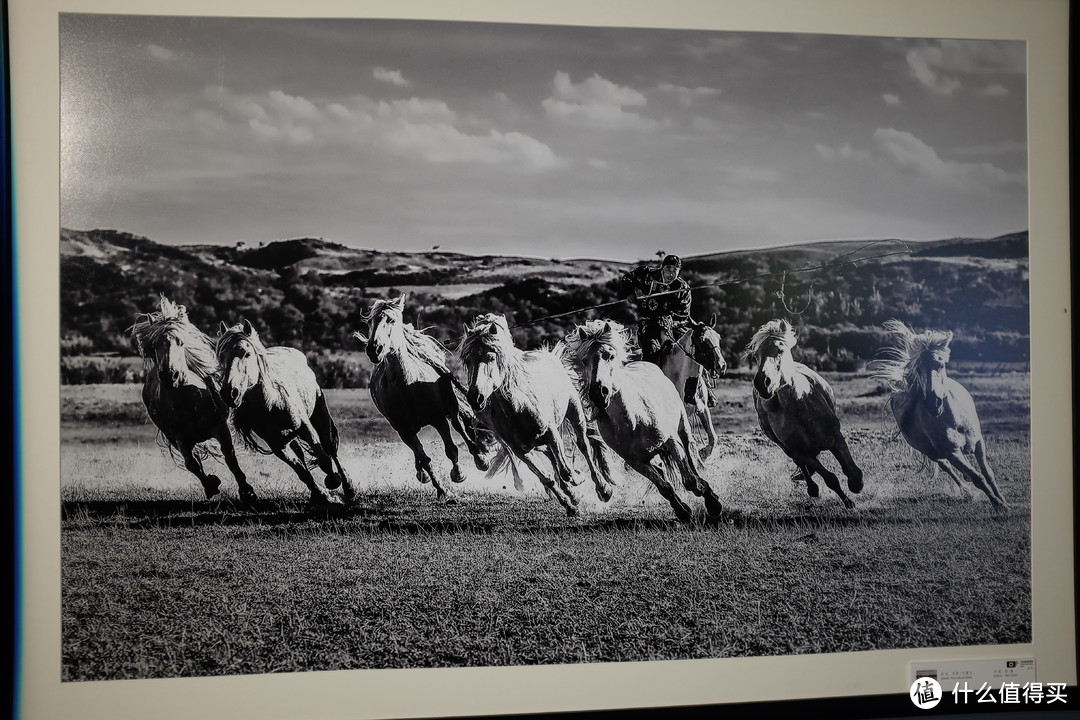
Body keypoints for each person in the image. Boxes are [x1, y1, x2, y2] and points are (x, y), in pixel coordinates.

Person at [621, 254, 714, 406]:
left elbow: (682, 315)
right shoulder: (648, 275)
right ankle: (648, 388)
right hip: (648, 323)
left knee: (696, 347)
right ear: (662, 268)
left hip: (672, 324)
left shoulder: (682, 288)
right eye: (668, 268)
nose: (671, 273)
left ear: (679, 271)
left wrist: (665, 322)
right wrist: (629, 293)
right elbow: (628, 278)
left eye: (675, 270)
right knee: (650, 351)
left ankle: (701, 390)